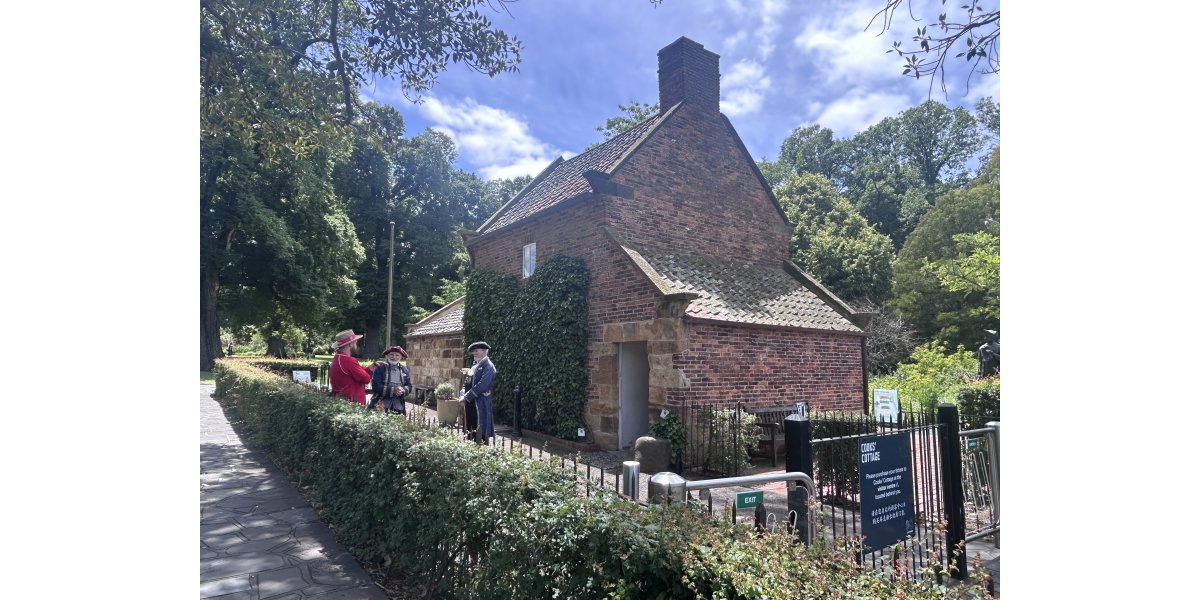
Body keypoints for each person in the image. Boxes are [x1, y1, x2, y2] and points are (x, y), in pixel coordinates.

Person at [329, 329, 384, 406]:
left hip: (343, 401)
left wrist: (373, 366)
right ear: (350, 344)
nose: (356, 345)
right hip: (353, 404)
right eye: (355, 343)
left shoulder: (338, 358)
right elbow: (366, 379)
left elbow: (355, 374)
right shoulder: (349, 360)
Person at [460, 341, 496, 445]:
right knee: (470, 428)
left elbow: (482, 385)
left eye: (477, 351)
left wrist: (466, 397)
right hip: (470, 402)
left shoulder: (488, 366)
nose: (474, 353)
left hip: (481, 403)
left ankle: (480, 451)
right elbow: (466, 382)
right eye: (474, 351)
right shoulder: (475, 365)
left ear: (484, 351)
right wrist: (462, 394)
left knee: (480, 430)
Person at [370, 345, 411, 414]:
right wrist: (393, 390)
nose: (394, 357)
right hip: (380, 404)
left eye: (397, 355)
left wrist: (403, 390)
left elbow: (409, 385)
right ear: (388, 356)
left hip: (398, 405)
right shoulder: (380, 368)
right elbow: (375, 387)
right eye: (391, 354)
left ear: (401, 357)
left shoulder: (404, 370)